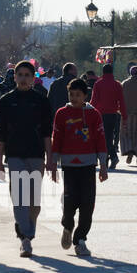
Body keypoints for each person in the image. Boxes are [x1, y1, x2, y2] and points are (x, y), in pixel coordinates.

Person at [0, 60, 53, 257]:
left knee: (33, 202)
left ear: (33, 78)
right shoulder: (6, 101)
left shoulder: (41, 101)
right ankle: (25, 238)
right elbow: (1, 134)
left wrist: (50, 158)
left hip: (36, 155)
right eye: (20, 75)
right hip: (15, 155)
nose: (24, 78)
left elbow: (47, 133)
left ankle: (28, 231)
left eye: (28, 75)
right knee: (19, 198)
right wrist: (0, 161)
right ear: (15, 76)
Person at [48, 78, 108, 258]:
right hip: (68, 166)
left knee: (87, 204)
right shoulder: (61, 113)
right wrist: (52, 163)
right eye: (71, 94)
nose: (74, 98)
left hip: (88, 166)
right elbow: (56, 139)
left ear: (85, 96)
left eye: (78, 95)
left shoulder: (94, 114)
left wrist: (103, 165)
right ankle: (67, 226)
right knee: (70, 202)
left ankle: (80, 240)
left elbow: (100, 140)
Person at [91, 64, 126, 170]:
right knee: (109, 137)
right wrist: (124, 116)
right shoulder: (117, 84)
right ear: (112, 72)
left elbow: (94, 100)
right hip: (113, 115)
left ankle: (109, 158)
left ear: (103, 72)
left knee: (102, 137)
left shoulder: (98, 84)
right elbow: (122, 102)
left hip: (100, 114)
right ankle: (109, 158)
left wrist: (89, 111)